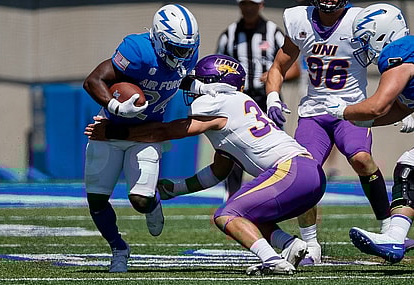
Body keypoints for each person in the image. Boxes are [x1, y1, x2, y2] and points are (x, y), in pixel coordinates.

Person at [85, 54, 327, 275]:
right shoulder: (237, 106)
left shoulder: (219, 103)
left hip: (291, 171)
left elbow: (165, 130)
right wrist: (177, 188)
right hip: (309, 175)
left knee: (226, 214)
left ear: (214, 84)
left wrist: (114, 131)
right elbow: (219, 170)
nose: (194, 88)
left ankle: (273, 260)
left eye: (201, 81)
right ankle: (289, 244)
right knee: (246, 214)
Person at [82, 4, 235, 273]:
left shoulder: (185, 53)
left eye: (187, 49)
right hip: (110, 127)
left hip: (147, 131)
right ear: (159, 39)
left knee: (140, 200)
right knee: (96, 200)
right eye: (177, 48)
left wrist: (198, 85)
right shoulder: (137, 50)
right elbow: (93, 80)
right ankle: (119, 248)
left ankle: (153, 203)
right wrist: (116, 106)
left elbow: (179, 75)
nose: (184, 54)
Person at [264, 0, 392, 265]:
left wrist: (405, 102)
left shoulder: (361, 21)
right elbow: (278, 66)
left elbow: (394, 62)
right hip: (314, 112)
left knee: (361, 159)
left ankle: (389, 228)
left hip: (351, 109)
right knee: (305, 174)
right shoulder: (299, 19)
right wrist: (273, 97)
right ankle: (310, 244)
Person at [323, 3, 413, 263]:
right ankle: (395, 237)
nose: (363, 46)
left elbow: (379, 105)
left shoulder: (399, 51)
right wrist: (367, 123)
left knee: (410, 170)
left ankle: (395, 238)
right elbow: (397, 109)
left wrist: (345, 111)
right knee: (410, 168)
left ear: (381, 33)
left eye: (365, 39)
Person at [216, 0, 301, 199]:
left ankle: (275, 199)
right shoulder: (229, 35)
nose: (248, 8)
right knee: (234, 151)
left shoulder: (274, 33)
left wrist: (271, 75)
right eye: (244, 4)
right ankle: (232, 200)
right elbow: (217, 68)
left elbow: (295, 70)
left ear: (261, 5)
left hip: (267, 100)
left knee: (275, 152)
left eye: (252, 4)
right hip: (238, 102)